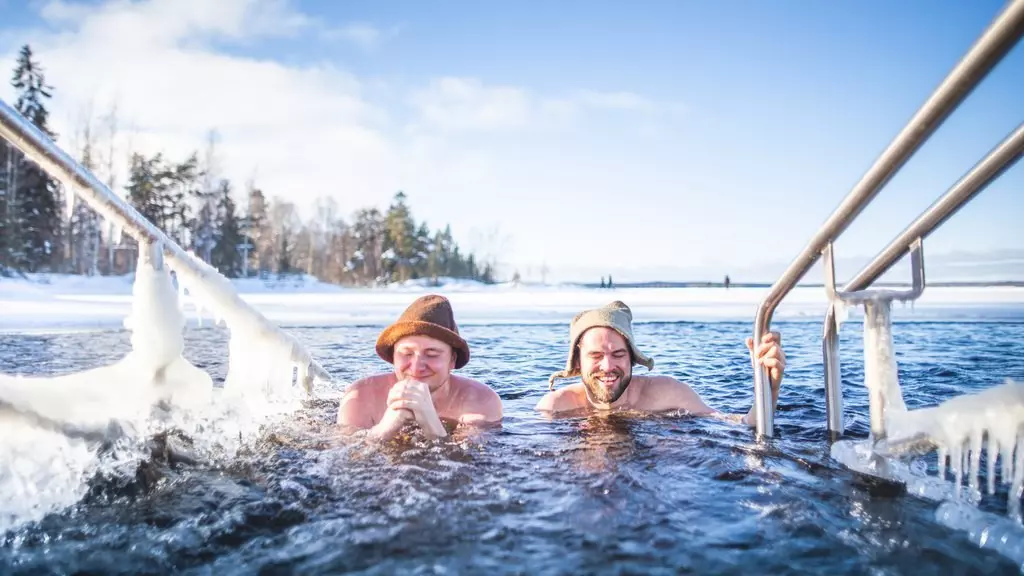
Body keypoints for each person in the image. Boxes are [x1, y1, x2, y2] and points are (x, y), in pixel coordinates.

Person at [535, 300, 785, 426]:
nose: (608, 366)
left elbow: (739, 426)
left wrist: (769, 389)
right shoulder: (557, 407)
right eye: (596, 356)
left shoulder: (669, 393)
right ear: (577, 362)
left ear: (632, 356)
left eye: (619, 354)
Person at [337, 294, 503, 440]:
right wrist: (383, 430)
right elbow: (346, 461)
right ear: (393, 356)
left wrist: (431, 423)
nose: (416, 367)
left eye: (432, 354)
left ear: (452, 360)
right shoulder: (362, 396)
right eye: (406, 353)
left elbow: (468, 467)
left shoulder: (480, 402)